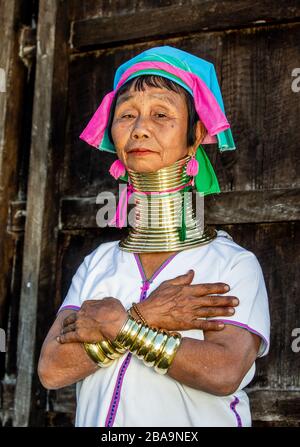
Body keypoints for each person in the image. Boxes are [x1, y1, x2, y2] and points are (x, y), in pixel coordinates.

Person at [38, 46, 270, 427]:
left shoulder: (231, 263)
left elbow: (224, 371)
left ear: (196, 136)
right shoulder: (98, 264)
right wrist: (145, 316)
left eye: (161, 114)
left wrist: (121, 326)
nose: (140, 128)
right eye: (127, 114)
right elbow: (52, 368)